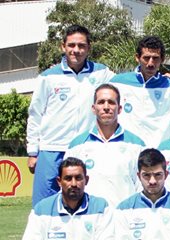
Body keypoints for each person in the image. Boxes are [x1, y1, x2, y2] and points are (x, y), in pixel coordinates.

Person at [27, 25, 114, 206]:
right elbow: (35, 115)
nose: (76, 50)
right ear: (63, 47)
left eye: (81, 46)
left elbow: (129, 84)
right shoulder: (48, 77)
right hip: (51, 148)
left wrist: (166, 76)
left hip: (84, 148)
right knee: (43, 205)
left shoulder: (102, 73)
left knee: (85, 202)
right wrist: (33, 152)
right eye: (72, 45)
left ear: (89, 48)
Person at [65, 84, 145, 207]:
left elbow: (143, 186)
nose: (106, 107)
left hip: (125, 217)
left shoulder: (137, 145)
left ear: (119, 109)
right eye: (101, 102)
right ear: (93, 108)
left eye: (111, 102)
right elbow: (68, 186)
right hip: (89, 217)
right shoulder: (77, 146)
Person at [110, 36, 170, 147]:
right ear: (137, 58)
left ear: (162, 59)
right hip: (127, 149)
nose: (150, 63)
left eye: (155, 58)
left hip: (159, 153)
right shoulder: (117, 83)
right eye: (146, 58)